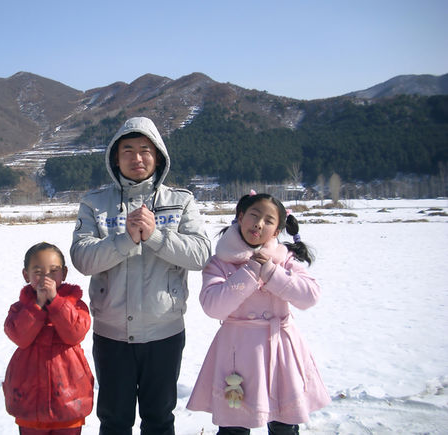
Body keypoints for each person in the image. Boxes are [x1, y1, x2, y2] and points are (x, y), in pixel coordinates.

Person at [70, 116, 211, 435]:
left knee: (159, 418)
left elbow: (201, 254)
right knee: (114, 420)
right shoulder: (95, 204)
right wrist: (125, 239)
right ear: (115, 159)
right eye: (128, 150)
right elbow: (83, 258)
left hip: (164, 332)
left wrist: (156, 236)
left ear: (158, 156)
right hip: (112, 334)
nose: (137, 157)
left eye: (145, 150)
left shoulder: (181, 201)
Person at [187, 192, 331, 434]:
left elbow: (310, 296)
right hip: (237, 353)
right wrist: (252, 271)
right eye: (254, 215)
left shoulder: (284, 260)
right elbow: (213, 306)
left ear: (276, 232)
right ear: (240, 218)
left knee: (284, 424)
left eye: (268, 221)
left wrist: (271, 272)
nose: (259, 224)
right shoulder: (219, 262)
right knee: (234, 425)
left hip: (281, 350)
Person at [3, 242, 94, 435]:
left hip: (69, 399)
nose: (46, 278)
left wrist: (56, 303)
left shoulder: (75, 305)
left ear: (64, 273)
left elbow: (75, 334)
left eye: (53, 271)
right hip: (29, 401)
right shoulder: (19, 309)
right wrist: (36, 307)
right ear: (26, 275)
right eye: (38, 271)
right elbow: (20, 337)